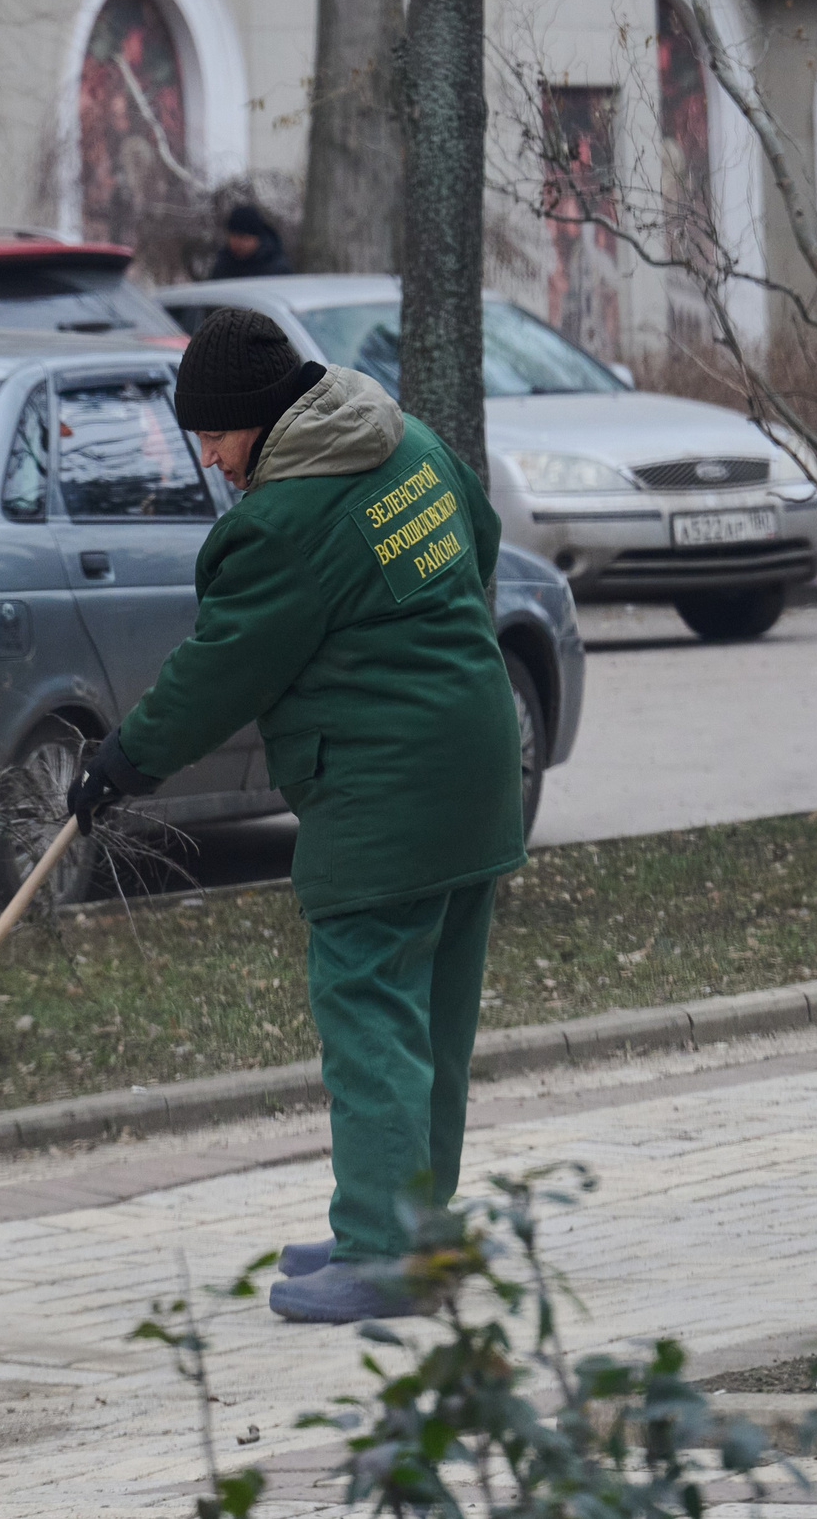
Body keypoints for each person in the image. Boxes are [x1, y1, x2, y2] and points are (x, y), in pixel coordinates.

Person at [65, 308, 525, 1326]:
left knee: (367, 1012)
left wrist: (124, 759)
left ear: (261, 421)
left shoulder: (281, 523)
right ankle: (410, 1224)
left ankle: (382, 1250)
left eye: (219, 435)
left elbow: (221, 668)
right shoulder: (406, 441)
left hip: (384, 787)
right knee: (433, 1015)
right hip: (478, 759)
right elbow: (481, 542)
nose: (213, 457)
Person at [208, 202, 292, 279]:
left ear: (257, 239)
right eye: (234, 236)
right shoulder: (222, 265)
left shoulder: (276, 269)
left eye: (243, 238)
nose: (238, 243)